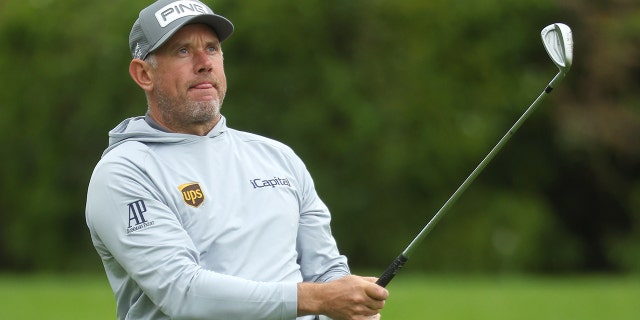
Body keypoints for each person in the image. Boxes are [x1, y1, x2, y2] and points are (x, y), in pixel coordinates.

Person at [85, 1, 389, 319]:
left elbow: (327, 274)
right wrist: (318, 299)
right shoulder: (124, 172)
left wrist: (353, 305)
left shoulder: (278, 158)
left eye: (212, 48)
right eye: (183, 51)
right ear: (144, 74)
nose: (204, 63)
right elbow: (183, 293)